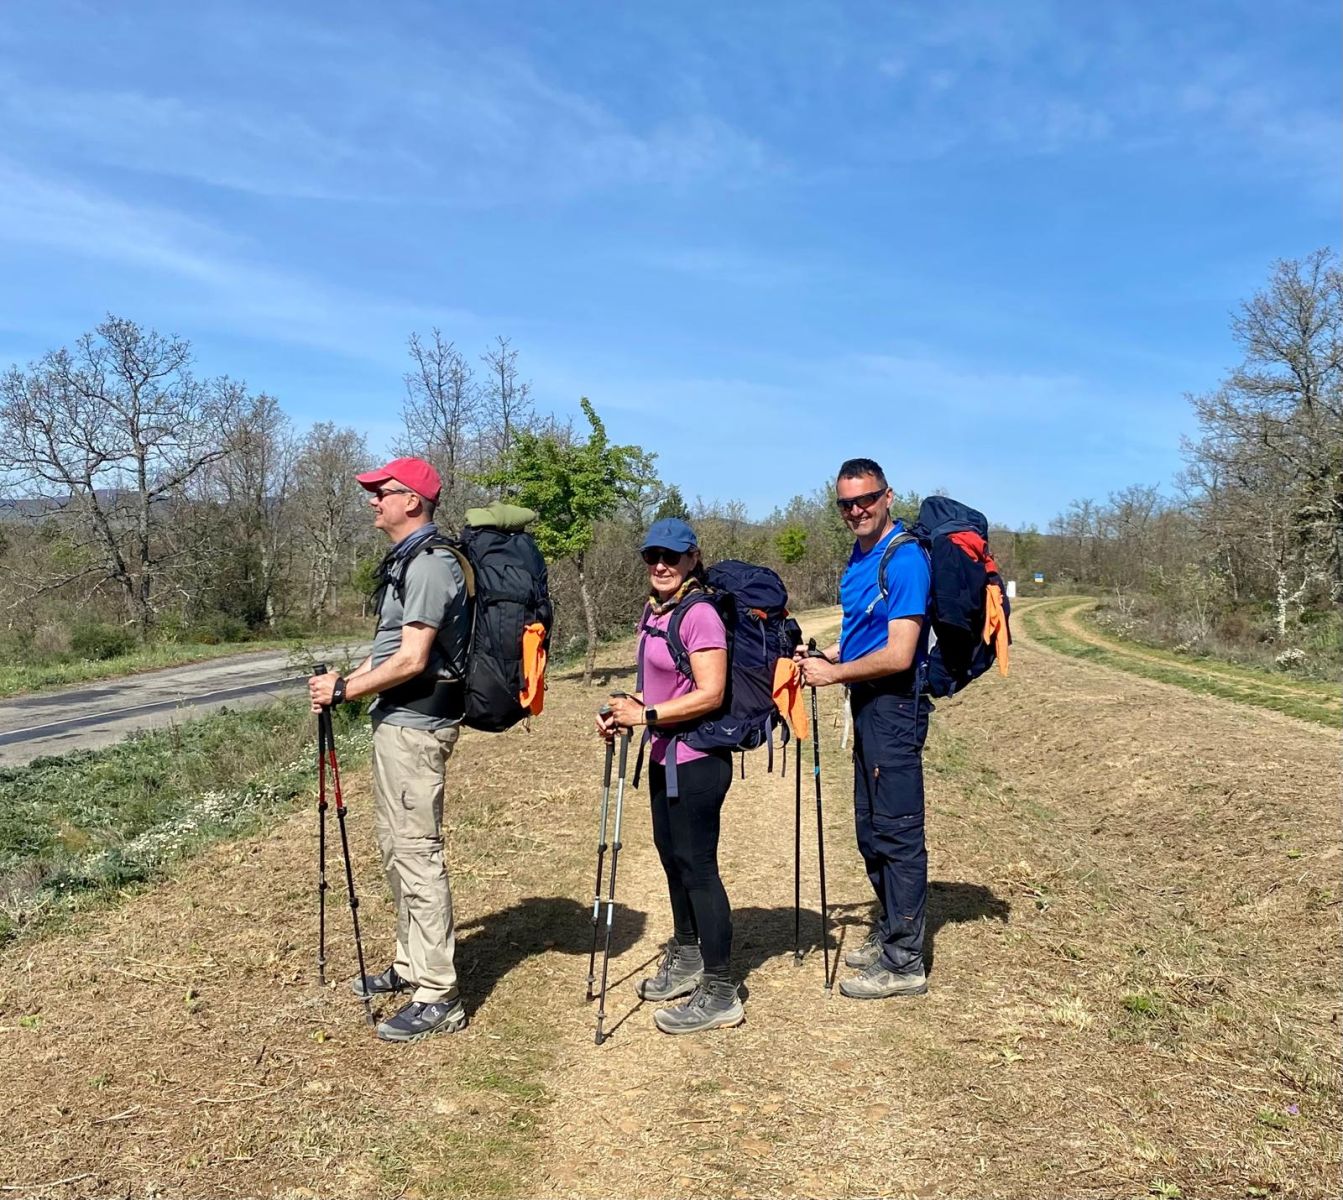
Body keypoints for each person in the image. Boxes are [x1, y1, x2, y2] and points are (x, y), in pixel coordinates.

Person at [308, 456, 472, 1043]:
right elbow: (387, 653)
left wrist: (346, 688)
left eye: (383, 491)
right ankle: (410, 963)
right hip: (397, 722)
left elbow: (412, 660)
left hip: (417, 725)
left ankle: (439, 993)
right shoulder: (409, 561)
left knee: (416, 852)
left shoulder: (429, 565)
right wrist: (341, 686)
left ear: (414, 501)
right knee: (394, 848)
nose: (373, 499)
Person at [596, 517, 744, 1034]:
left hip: (699, 761)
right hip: (663, 757)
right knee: (672, 859)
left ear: (692, 559)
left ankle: (722, 990)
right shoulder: (655, 610)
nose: (660, 564)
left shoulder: (699, 613)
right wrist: (628, 708)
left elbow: (711, 693)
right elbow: (660, 688)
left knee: (699, 868)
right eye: (652, 555)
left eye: (672, 556)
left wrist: (649, 717)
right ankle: (687, 954)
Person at [796, 458, 933, 999]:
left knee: (898, 834)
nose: (856, 510)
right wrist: (824, 655)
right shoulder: (859, 556)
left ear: (888, 496)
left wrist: (835, 674)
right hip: (867, 705)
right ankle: (890, 933)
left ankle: (905, 962)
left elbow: (899, 654)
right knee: (869, 828)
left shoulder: (904, 560)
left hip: (895, 708)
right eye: (846, 504)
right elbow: (863, 632)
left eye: (866, 499)